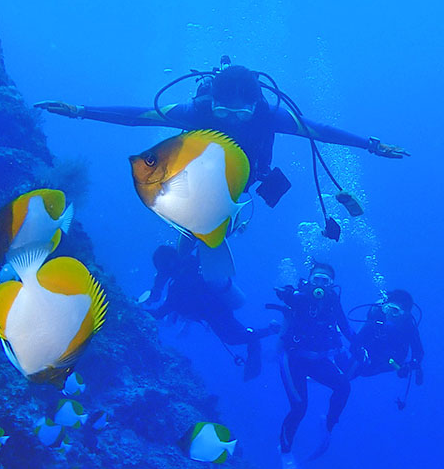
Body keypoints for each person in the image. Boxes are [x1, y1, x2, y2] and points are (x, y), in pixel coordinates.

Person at [36, 60, 409, 209]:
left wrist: (371, 145)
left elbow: (322, 132)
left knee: (233, 206)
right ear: (210, 101)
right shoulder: (194, 111)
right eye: (222, 109)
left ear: (256, 104)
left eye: (242, 110)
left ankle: (231, 221)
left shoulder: (271, 116)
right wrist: (80, 111)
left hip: (248, 177)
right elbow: (138, 116)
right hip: (197, 178)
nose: (232, 117)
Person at [142, 242, 276, 381]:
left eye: (161, 268)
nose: (162, 272)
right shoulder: (189, 265)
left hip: (215, 312)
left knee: (232, 338)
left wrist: (142, 312)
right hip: (218, 309)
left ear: (165, 266)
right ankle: (255, 338)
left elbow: (162, 311)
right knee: (234, 336)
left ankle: (267, 332)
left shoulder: (177, 285)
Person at [273, 262, 354, 468]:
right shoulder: (300, 296)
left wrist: (359, 344)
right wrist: (285, 293)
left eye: (324, 281)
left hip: (319, 361)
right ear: (309, 280)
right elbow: (289, 296)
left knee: (344, 386)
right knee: (300, 407)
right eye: (316, 279)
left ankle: (328, 426)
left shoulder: (333, 301)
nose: (319, 284)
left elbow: (345, 327)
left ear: (331, 284)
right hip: (293, 361)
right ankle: (284, 449)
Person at [350, 289, 424, 386]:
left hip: (392, 359)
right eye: (387, 309)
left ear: (405, 315)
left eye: (395, 311)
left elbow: (418, 351)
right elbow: (357, 342)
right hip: (372, 353)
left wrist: (410, 366)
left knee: (364, 371)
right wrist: (360, 354)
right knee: (358, 372)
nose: (389, 315)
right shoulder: (377, 315)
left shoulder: (408, 325)